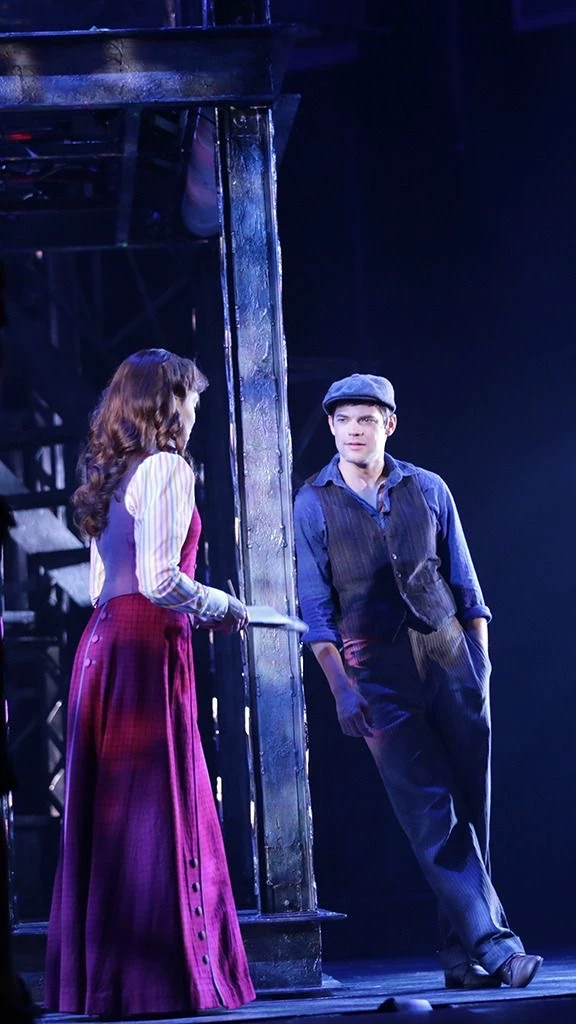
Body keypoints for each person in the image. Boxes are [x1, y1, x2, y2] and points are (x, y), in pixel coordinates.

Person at [294, 373, 542, 991]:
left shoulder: (427, 487)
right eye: (343, 420)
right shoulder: (313, 502)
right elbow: (315, 610)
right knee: (431, 811)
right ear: (332, 427)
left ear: (389, 425)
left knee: (473, 807)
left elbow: (466, 583)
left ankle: (459, 956)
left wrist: (479, 662)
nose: (354, 430)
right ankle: (500, 949)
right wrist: (340, 687)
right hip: (373, 669)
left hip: (450, 654)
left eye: (366, 419)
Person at [45, 349, 256, 1018]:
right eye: (189, 399)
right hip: (141, 646)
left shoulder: (112, 473)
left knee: (115, 815)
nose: (194, 411)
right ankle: (156, 983)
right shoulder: (166, 467)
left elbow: (99, 586)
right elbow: (161, 580)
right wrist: (224, 605)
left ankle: (110, 984)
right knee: (151, 810)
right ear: (165, 403)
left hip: (102, 645)